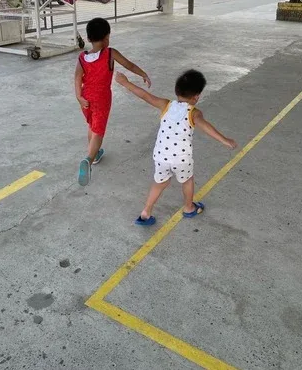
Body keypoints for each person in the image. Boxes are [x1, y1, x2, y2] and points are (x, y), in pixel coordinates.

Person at [115, 69, 237, 225]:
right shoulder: (194, 112)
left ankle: (146, 212)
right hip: (181, 158)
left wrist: (125, 82)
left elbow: (145, 95)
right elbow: (205, 126)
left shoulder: (165, 105)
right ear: (197, 96)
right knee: (187, 181)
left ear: (177, 91)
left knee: (159, 183)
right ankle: (189, 207)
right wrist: (224, 140)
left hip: (161, 156)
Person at [75, 18, 151, 186]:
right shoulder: (110, 53)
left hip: (85, 97)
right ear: (107, 38)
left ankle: (95, 154)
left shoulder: (82, 58)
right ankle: (88, 159)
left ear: (88, 39)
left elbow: (77, 77)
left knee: (92, 125)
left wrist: (79, 97)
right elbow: (129, 65)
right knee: (99, 131)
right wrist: (143, 74)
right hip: (102, 98)